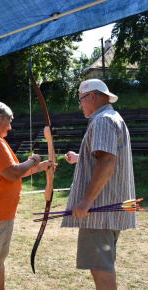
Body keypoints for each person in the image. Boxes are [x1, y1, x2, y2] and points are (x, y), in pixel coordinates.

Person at [0, 99, 57, 290]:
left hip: (1, 214)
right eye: (8, 120)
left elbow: (10, 173)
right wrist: (34, 160)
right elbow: (13, 172)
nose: (10, 126)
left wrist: (40, 167)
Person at [61, 79, 136, 290]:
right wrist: (79, 158)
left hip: (99, 211)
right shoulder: (110, 117)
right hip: (107, 209)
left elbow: (107, 161)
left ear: (92, 96)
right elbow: (106, 156)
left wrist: (86, 200)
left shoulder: (103, 120)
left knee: (99, 267)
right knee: (104, 264)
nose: (80, 105)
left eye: (80, 99)